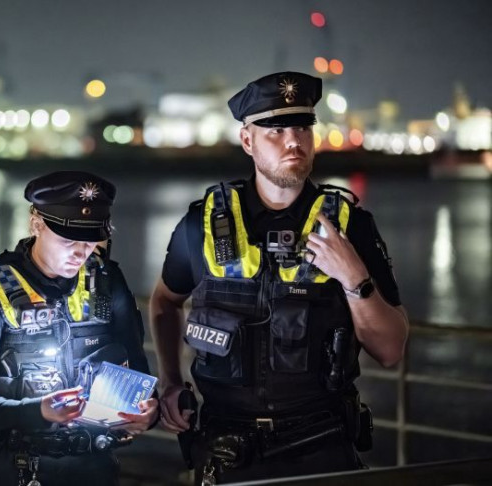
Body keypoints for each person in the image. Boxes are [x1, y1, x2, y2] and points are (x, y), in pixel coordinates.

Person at [150, 71, 409, 484]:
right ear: (247, 140)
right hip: (224, 452)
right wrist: (169, 381)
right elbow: (165, 301)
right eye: (276, 130)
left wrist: (354, 278)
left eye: (303, 127)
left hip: (321, 451)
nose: (294, 141)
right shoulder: (201, 226)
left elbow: (391, 350)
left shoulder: (350, 227)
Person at [0, 171, 159, 486]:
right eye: (68, 240)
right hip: (16, 468)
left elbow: (138, 371)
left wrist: (149, 413)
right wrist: (38, 411)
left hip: (95, 469)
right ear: (36, 224)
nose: (80, 253)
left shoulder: (107, 280)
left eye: (90, 241)